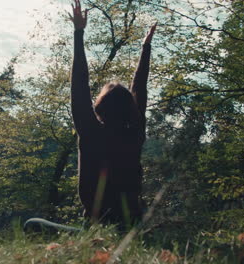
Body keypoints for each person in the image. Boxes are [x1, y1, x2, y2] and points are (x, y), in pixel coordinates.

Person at [69, 0, 156, 225]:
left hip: (96, 225)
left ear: (100, 105)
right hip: (131, 223)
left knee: (32, 226)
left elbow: (79, 85)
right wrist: (145, 49)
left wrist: (78, 34)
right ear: (130, 109)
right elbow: (140, 90)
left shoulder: (90, 132)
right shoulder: (134, 134)